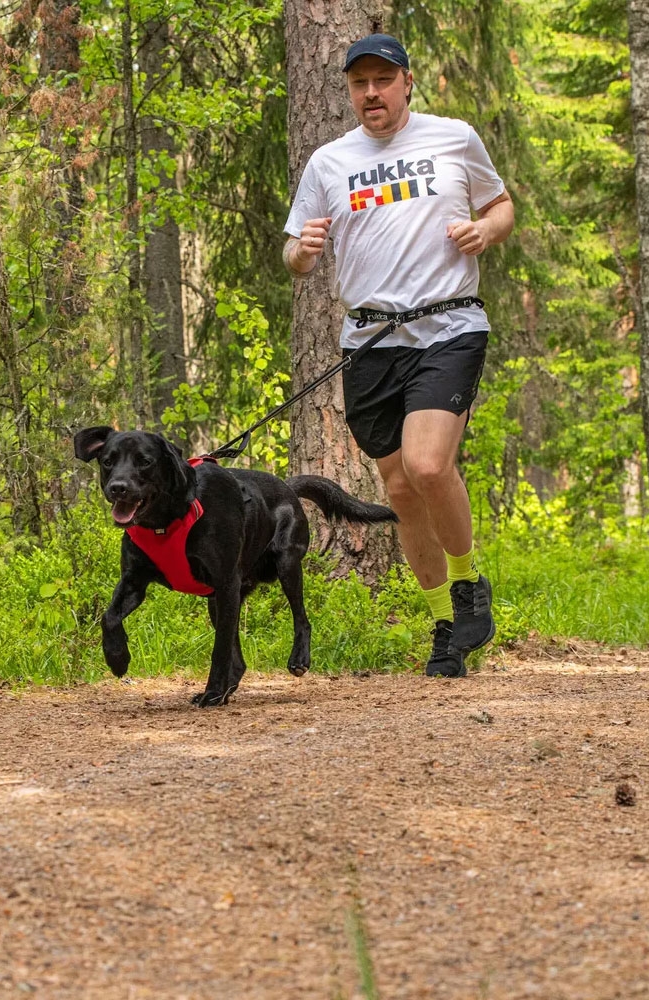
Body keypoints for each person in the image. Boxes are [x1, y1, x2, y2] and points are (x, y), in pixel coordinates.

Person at [282, 32, 514, 678]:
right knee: (400, 488)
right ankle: (446, 624)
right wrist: (303, 250)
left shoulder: (453, 138)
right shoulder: (329, 163)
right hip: (370, 342)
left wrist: (484, 230)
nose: (372, 93)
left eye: (383, 80)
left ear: (407, 82)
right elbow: (294, 256)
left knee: (428, 463)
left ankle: (469, 588)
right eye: (360, 84)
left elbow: (502, 207)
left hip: (449, 326)